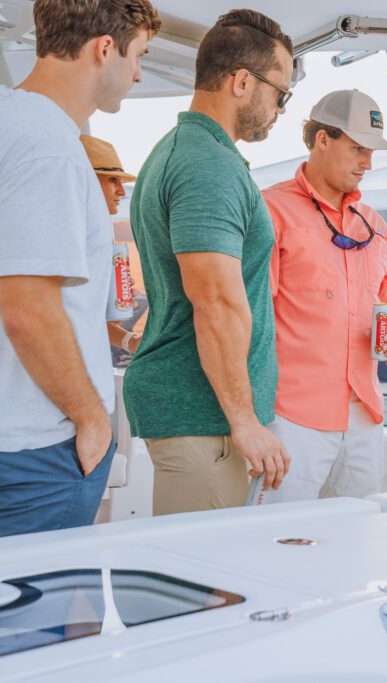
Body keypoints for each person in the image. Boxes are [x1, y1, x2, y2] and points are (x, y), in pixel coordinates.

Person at [0, 0, 161, 537]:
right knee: (43, 621)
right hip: (35, 454)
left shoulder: (11, 122)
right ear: (105, 48)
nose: (138, 72)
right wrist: (95, 420)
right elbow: (27, 309)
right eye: (139, 55)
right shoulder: (50, 147)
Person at [124, 9, 293, 515]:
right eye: (280, 93)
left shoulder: (194, 151)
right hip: (207, 420)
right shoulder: (206, 165)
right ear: (243, 81)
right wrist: (244, 422)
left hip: (207, 418)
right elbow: (215, 301)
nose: (281, 108)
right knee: (204, 591)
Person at [260, 90, 387, 502]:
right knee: (280, 546)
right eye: (359, 148)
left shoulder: (375, 226)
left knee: (355, 547)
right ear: (322, 139)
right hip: (290, 418)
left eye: (372, 151)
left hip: (364, 417)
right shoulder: (269, 210)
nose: (368, 163)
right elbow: (248, 319)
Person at [80, 134, 143, 358]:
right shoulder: (70, 237)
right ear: (86, 178)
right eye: (112, 180)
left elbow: (90, 322)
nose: (122, 192)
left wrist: (131, 341)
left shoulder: (100, 232)